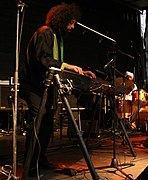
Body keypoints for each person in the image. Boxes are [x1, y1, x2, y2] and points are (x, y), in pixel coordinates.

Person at [19, 2, 96, 177]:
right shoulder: (45, 32)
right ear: (62, 20)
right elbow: (44, 59)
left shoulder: (57, 38)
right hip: (33, 86)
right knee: (38, 123)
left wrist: (80, 72)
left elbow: (56, 66)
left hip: (43, 87)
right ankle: (30, 164)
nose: (72, 27)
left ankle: (40, 159)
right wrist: (68, 66)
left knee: (47, 123)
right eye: (71, 23)